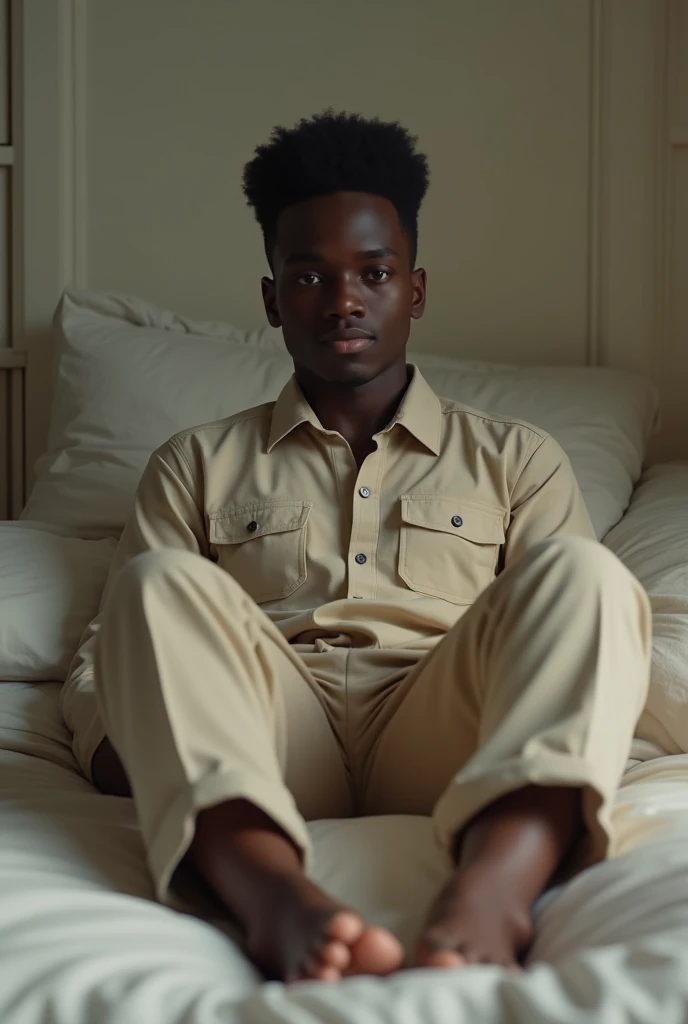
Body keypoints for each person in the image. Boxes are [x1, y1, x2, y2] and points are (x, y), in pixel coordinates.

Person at [62, 111, 652, 985]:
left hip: (445, 727)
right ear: (272, 299)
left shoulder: (517, 459)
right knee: (155, 585)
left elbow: (574, 650)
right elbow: (102, 671)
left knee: (587, 574)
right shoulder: (194, 463)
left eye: (373, 273)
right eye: (309, 275)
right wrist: (161, 743)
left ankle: (494, 887)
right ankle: (270, 893)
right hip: (268, 738)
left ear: (413, 291)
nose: (343, 301)